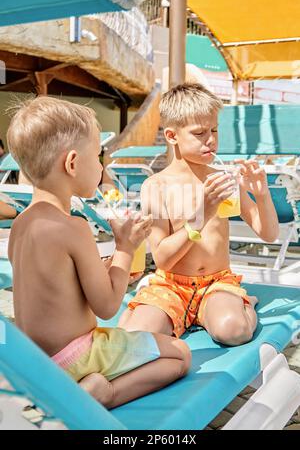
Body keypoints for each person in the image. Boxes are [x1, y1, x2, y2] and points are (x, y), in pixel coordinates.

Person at [6, 96, 191, 409]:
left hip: (38, 362)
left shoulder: (21, 224)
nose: (102, 167)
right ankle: (105, 393)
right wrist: (125, 248)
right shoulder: (73, 227)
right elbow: (106, 306)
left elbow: (53, 290)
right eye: (99, 157)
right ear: (73, 163)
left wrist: (101, 268)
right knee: (179, 355)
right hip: (79, 356)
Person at [118, 83, 279, 346]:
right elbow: (163, 259)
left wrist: (261, 195)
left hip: (217, 283)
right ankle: (156, 309)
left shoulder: (223, 180)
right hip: (171, 284)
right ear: (172, 136)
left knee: (233, 331)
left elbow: (269, 234)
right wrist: (202, 212)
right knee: (135, 338)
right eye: (200, 133)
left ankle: (243, 302)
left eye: (214, 130)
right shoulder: (156, 186)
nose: (211, 139)